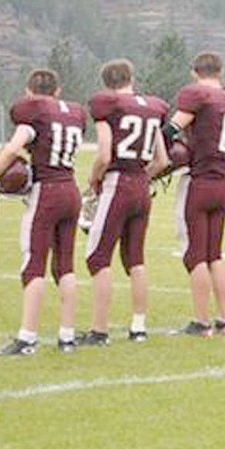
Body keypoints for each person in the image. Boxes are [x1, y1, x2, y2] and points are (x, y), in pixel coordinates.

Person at [0, 69, 86, 355]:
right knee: (65, 265)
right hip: (71, 189)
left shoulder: (34, 116)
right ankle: (67, 336)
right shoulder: (74, 115)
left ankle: (27, 337)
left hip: (47, 192)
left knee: (34, 264)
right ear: (58, 91)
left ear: (29, 91)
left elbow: (11, 149)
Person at [77, 59, 169, 346]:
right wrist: (142, 176)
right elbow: (162, 160)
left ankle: (99, 330)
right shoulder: (152, 108)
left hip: (118, 182)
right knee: (135, 258)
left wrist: (94, 180)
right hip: (141, 185)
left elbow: (104, 154)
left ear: (107, 83)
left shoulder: (108, 105)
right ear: (132, 78)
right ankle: (138, 327)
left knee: (97, 257)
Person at [165, 52, 225, 337]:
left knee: (195, 255)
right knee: (215, 255)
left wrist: (155, 152)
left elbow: (172, 128)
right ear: (220, 71)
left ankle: (201, 322)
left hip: (198, 183)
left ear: (195, 72)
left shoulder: (197, 95)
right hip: (222, 184)